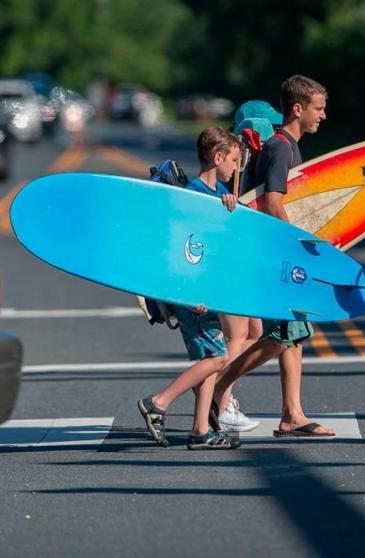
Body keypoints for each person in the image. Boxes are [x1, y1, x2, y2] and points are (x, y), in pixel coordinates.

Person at [211, 75, 337, 438]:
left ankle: (291, 413)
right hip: (273, 255)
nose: (323, 116)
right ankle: (220, 383)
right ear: (297, 109)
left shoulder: (284, 146)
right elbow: (272, 204)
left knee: (294, 334)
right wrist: (302, 245)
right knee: (285, 333)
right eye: (318, 108)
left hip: (272, 253)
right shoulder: (282, 148)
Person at [137, 127, 243, 449]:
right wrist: (190, 295)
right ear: (218, 157)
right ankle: (158, 402)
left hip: (206, 293)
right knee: (218, 359)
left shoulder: (217, 195)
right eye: (235, 161)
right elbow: (185, 249)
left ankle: (200, 432)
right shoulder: (193, 196)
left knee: (210, 358)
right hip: (192, 294)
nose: (237, 169)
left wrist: (229, 209)